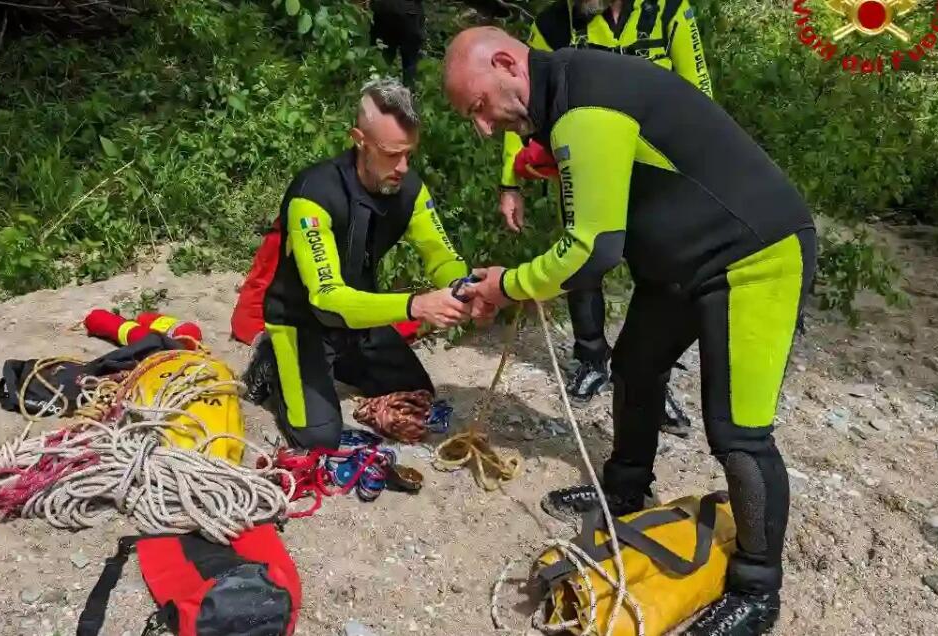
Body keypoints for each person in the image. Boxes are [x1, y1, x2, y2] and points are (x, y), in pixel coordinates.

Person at [443, 27, 816, 636]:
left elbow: (592, 250)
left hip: (756, 257)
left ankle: (757, 590)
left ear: (508, 63)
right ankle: (623, 491)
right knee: (636, 365)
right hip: (682, 265)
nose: (484, 128)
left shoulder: (585, 106)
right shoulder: (566, 95)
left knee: (738, 435)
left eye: (479, 108)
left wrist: (506, 286)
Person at [243, 77, 482, 451]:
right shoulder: (314, 195)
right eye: (390, 153)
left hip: (360, 320)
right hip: (302, 320)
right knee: (319, 438)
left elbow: (440, 255)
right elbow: (327, 298)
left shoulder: (410, 190)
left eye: (409, 154)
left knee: (418, 391)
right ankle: (273, 358)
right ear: (359, 139)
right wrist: (415, 306)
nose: (402, 167)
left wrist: (464, 286)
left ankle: (336, 362)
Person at [500, 0, 714, 407]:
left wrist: (700, 167)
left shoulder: (669, 11)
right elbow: (519, 103)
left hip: (654, 170)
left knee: (662, 274)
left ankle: (652, 378)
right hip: (584, 165)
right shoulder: (554, 21)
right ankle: (591, 356)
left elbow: (699, 92)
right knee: (582, 258)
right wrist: (509, 183)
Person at [370, 0, 426, 91]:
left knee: (383, 57)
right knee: (410, 61)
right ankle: (409, 93)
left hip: (383, 11)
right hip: (408, 13)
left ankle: (375, 90)